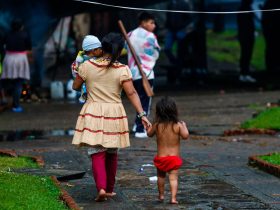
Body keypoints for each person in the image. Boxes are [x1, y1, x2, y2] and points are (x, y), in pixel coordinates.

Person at [72, 33, 151, 201]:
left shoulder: (86, 66)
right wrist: (142, 114)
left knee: (96, 152)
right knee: (112, 152)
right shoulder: (122, 70)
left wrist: (79, 74)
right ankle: (109, 188)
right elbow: (132, 93)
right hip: (114, 113)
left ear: (102, 47)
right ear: (119, 50)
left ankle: (101, 188)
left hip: (93, 111)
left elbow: (75, 86)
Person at [147, 97, 189, 204]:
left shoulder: (157, 125)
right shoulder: (178, 125)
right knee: (173, 179)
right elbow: (185, 136)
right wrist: (184, 126)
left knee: (160, 177)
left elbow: (149, 134)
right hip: (173, 159)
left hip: (161, 158)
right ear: (174, 110)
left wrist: (148, 126)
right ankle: (173, 198)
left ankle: (161, 196)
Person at [127, 12, 160, 138]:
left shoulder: (130, 34)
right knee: (145, 101)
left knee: (138, 100)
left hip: (133, 73)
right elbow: (155, 53)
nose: (154, 26)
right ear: (143, 22)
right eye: (151, 22)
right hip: (146, 73)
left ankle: (137, 124)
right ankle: (141, 129)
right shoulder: (150, 36)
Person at [0, 19, 32, 112]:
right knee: (18, 83)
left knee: (7, 81)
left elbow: (3, 46)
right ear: (21, 26)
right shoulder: (25, 35)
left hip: (8, 58)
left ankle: (4, 99)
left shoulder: (7, 35)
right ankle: (16, 106)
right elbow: (29, 47)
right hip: (20, 59)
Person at [71, 35, 103, 103]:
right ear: (93, 50)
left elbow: (75, 77)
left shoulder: (78, 61)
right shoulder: (94, 62)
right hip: (97, 95)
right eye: (99, 48)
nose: (101, 50)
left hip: (88, 97)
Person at [237, 0, 256, 83]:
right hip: (245, 36)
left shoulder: (249, 8)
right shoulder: (243, 9)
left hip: (249, 36)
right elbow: (243, 24)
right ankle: (243, 74)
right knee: (245, 55)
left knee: (247, 55)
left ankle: (245, 74)